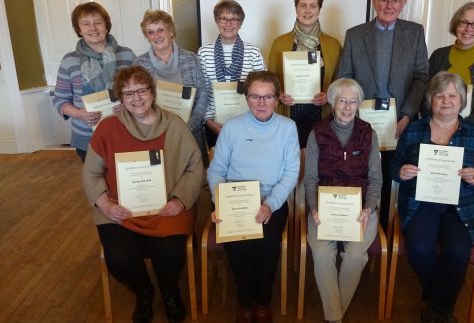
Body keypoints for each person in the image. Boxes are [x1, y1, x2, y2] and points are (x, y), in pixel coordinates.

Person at [82, 65, 203, 323]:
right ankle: (144, 291)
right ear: (121, 98)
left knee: (170, 255)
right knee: (120, 260)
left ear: (153, 92)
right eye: (128, 93)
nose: (136, 98)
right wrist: (105, 204)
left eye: (141, 90)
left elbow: (195, 167)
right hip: (120, 210)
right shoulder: (107, 128)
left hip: (167, 208)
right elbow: (91, 173)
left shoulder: (174, 125)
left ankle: (170, 291)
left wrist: (180, 200)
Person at [390, 72, 474, 323]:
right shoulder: (414, 129)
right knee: (418, 246)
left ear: (461, 100)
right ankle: (442, 301)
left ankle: (437, 309)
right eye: (440, 96)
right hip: (420, 202)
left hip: (461, 205)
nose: (446, 101)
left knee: (458, 251)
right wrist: (402, 172)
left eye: (452, 96)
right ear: (430, 100)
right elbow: (394, 167)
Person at [207, 71, 299, 323]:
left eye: (267, 96)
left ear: (277, 99)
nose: (261, 103)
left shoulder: (288, 128)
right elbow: (216, 170)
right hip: (234, 201)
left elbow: (291, 173)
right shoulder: (232, 128)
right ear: (246, 98)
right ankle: (245, 300)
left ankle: (263, 301)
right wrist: (220, 203)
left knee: (267, 247)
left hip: (272, 201)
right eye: (255, 96)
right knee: (240, 248)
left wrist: (269, 204)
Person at [337, 0, 429, 227]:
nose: (389, 6)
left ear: (403, 3)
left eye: (395, 1)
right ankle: (359, 226)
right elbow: (344, 77)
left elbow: (422, 77)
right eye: (384, 0)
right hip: (361, 123)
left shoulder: (415, 32)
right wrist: (352, 114)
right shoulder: (355, 35)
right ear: (374, 2)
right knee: (362, 174)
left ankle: (386, 231)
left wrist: (407, 115)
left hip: (400, 122)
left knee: (392, 176)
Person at [304, 78, 382, 323]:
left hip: (361, 209)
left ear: (359, 103)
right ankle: (335, 318)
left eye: (352, 101)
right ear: (332, 102)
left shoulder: (368, 133)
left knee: (355, 255)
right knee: (322, 253)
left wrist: (369, 209)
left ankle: (332, 317)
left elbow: (375, 178)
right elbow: (310, 179)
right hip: (324, 209)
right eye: (341, 100)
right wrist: (314, 210)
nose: (347, 107)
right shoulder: (317, 132)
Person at [53, 2, 135, 162]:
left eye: (98, 22)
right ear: (79, 29)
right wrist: (79, 114)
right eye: (86, 24)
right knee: (96, 183)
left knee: (125, 182)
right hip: (86, 135)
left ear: (106, 25)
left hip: (125, 129)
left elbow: (140, 92)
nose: (93, 28)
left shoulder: (127, 55)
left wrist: (127, 105)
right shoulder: (69, 61)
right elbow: (59, 100)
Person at [268, 0, 342, 147]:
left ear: (319, 9)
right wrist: (279, 94)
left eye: (313, 6)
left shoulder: (334, 45)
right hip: (288, 117)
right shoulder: (279, 43)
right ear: (296, 8)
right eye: (303, 5)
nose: (307, 11)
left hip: (323, 117)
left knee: (320, 164)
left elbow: (341, 81)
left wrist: (329, 95)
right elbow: (270, 80)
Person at [135, 9, 209, 164]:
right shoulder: (139, 64)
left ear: (171, 31)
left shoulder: (190, 59)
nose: (156, 36)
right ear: (147, 37)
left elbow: (202, 93)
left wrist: (189, 126)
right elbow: (137, 100)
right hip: (154, 133)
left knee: (194, 177)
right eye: (150, 32)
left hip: (190, 132)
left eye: (160, 30)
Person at [198, 0, 266, 148]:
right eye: (224, 19)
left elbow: (264, 89)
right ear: (217, 21)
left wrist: (254, 119)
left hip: (249, 124)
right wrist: (209, 121)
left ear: (240, 23)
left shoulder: (253, 52)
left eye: (234, 19)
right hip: (215, 125)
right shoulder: (204, 53)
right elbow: (202, 92)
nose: (229, 24)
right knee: (218, 168)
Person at [427, 2, 474, 131]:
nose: (468, 29)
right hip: (435, 128)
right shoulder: (438, 55)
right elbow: (426, 93)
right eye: (463, 22)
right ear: (456, 25)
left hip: (473, 129)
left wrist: (463, 127)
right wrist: (435, 123)